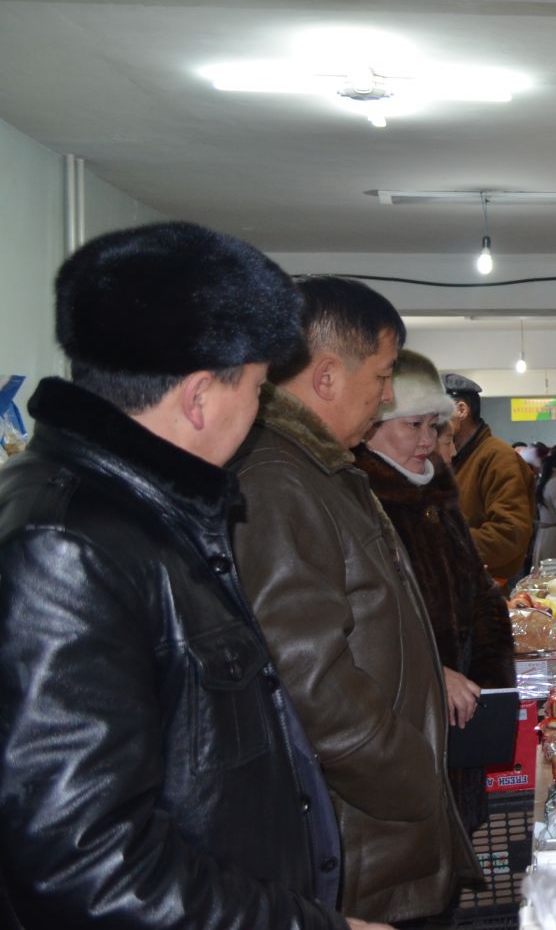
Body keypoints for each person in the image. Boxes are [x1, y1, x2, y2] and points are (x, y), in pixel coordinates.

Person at [0, 222, 383, 929]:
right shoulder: (67, 545)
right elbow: (82, 864)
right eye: (260, 390)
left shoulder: (150, 513)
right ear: (202, 396)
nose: (259, 414)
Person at [231, 277, 478, 925]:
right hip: (363, 838)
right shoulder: (279, 480)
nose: (389, 394)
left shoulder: (322, 467)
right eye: (384, 372)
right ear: (328, 375)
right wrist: (413, 776)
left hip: (383, 828)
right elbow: (309, 680)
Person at [354, 350, 515, 838]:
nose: (427, 440)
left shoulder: (435, 493)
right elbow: (360, 623)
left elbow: (477, 592)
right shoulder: (359, 500)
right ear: (372, 426)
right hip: (403, 732)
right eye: (412, 425)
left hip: (461, 719)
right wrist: (429, 671)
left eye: (434, 425)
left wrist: (492, 686)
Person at [444, 373, 534, 587]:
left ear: (461, 410)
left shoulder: (498, 457)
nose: (429, 421)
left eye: (436, 411)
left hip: (490, 585)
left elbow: (510, 533)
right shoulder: (451, 456)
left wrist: (443, 544)